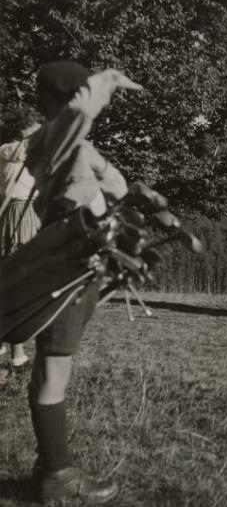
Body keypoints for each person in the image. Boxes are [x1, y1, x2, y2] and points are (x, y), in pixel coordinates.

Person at [21, 61, 141, 503]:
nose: (86, 102)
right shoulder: (53, 138)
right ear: (62, 101)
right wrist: (102, 87)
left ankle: (49, 463)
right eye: (79, 93)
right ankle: (56, 475)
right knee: (54, 369)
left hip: (82, 258)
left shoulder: (71, 143)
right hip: (68, 259)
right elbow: (74, 122)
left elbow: (116, 186)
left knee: (53, 366)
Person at [0, 111, 42, 372]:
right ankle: (17, 354)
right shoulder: (9, 150)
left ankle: (12, 347)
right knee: (19, 284)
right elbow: (19, 151)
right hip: (20, 215)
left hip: (29, 213)